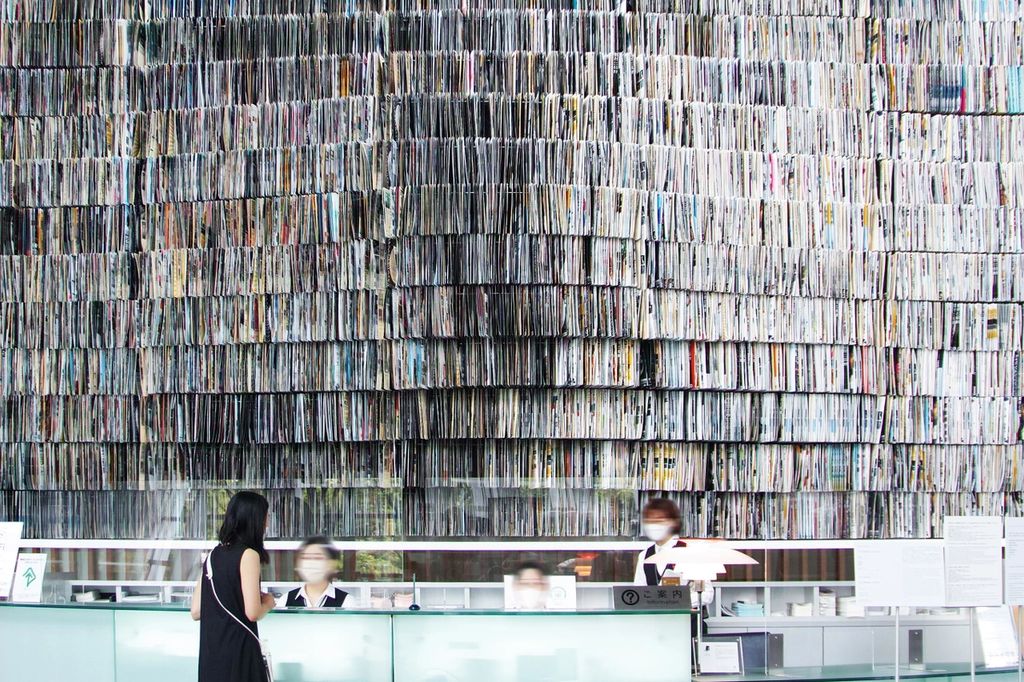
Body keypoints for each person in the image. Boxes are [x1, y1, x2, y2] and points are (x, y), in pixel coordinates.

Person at [191, 491, 276, 682]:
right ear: (255, 519)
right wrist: (269, 602)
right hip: (240, 654)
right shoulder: (249, 555)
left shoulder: (213, 555)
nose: (267, 524)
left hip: (212, 656)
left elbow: (196, 611)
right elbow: (253, 613)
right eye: (265, 517)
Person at [633, 498, 715, 631]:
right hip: (656, 627)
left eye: (659, 520)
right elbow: (639, 592)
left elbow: (707, 594)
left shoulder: (691, 551)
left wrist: (677, 601)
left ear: (673, 522)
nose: (654, 525)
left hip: (687, 625)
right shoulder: (644, 556)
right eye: (650, 521)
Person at [283, 536, 348, 608]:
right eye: (305, 558)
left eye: (318, 558)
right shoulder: (285, 600)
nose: (311, 563)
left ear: (332, 564)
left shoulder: (346, 602)